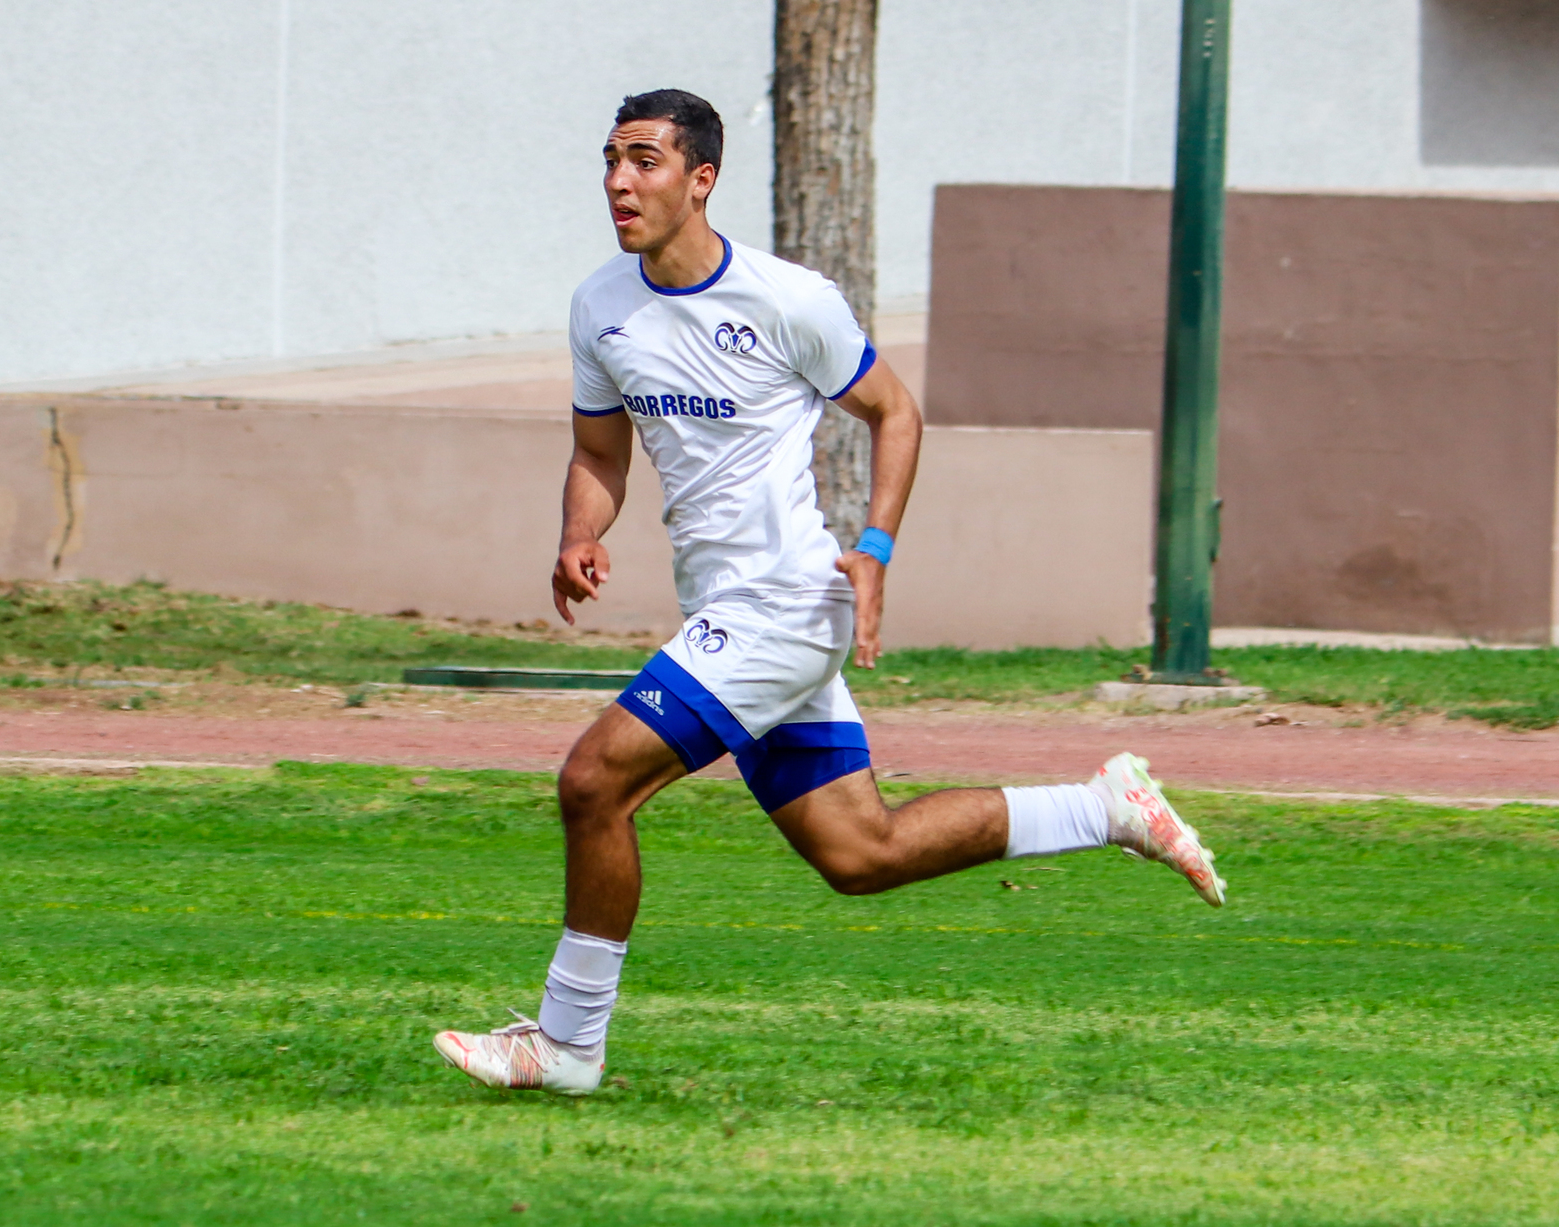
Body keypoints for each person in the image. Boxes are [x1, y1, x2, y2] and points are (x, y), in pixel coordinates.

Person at [433, 89, 1224, 1096]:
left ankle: (567, 1042)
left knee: (594, 781)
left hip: (782, 610)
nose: (619, 182)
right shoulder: (601, 306)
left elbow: (895, 410)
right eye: (611, 161)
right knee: (861, 851)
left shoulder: (787, 300)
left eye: (644, 161)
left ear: (700, 179)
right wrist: (580, 530)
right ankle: (1106, 807)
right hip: (728, 615)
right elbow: (600, 449)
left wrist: (877, 546)